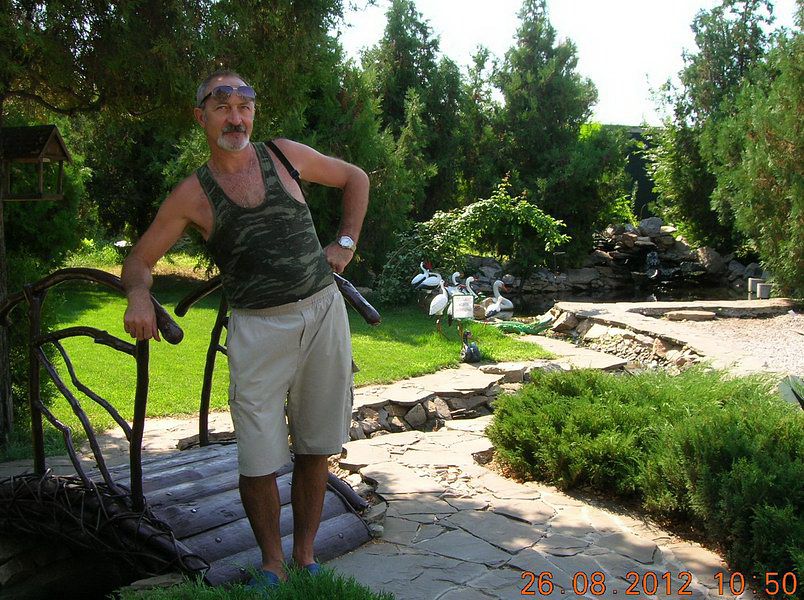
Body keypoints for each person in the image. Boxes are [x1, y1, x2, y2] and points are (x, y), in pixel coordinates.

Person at [121, 69, 369, 588]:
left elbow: (356, 178)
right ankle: (272, 566)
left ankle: (305, 559)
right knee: (257, 457)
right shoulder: (192, 195)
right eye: (222, 107)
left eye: (244, 106)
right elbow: (140, 259)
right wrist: (140, 295)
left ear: (253, 112)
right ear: (202, 117)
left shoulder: (285, 156)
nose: (236, 118)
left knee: (316, 445)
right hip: (257, 329)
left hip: (323, 314)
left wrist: (345, 243)